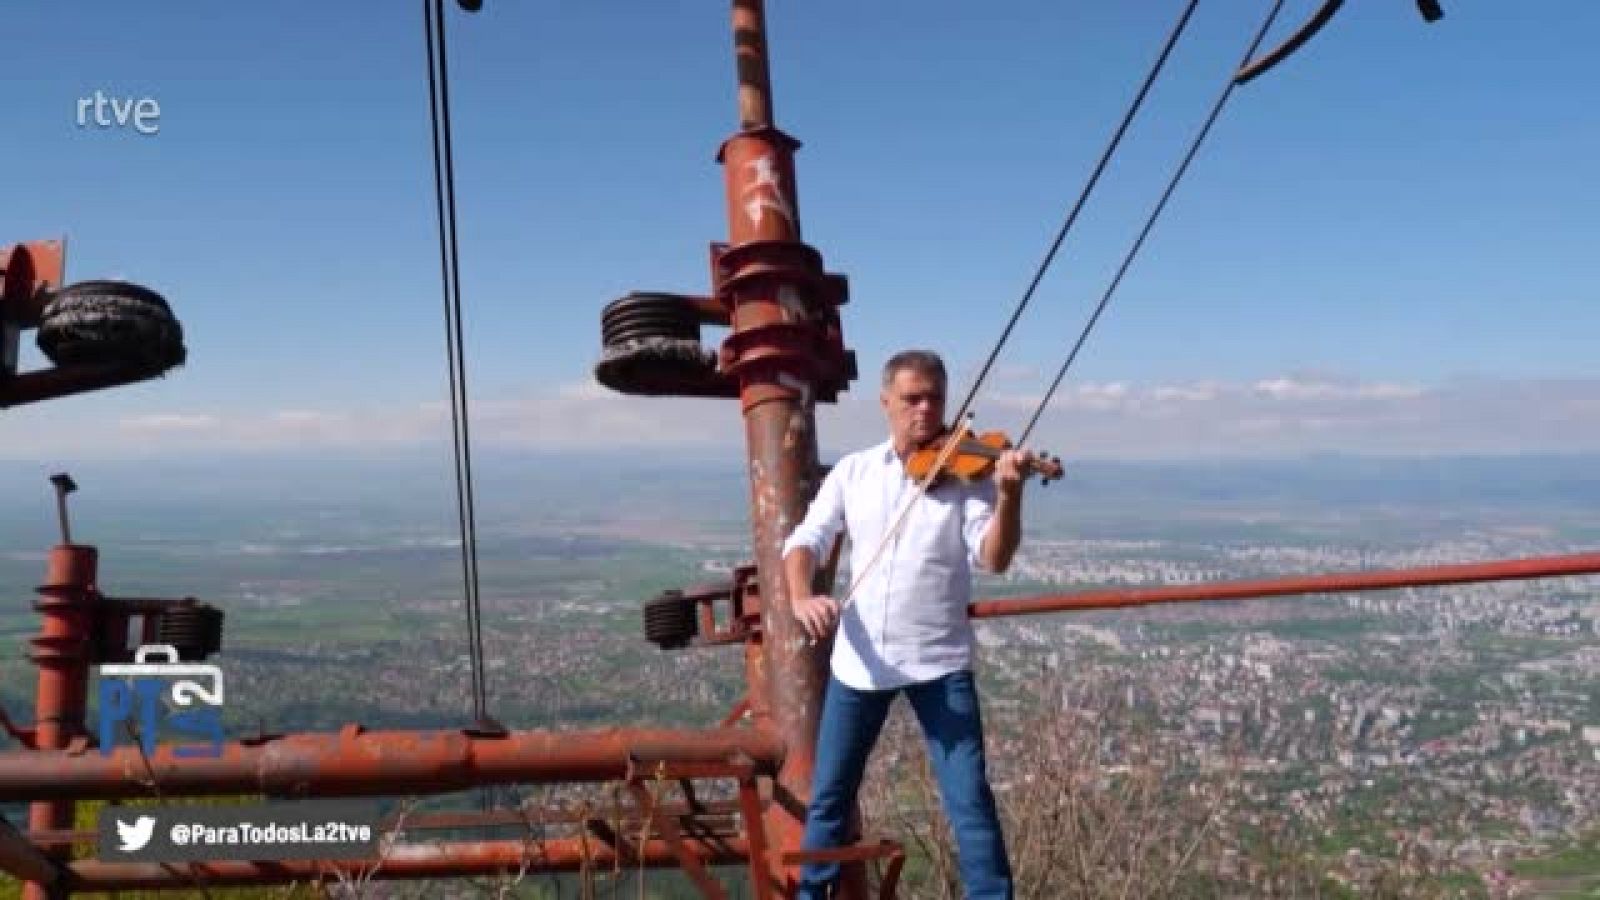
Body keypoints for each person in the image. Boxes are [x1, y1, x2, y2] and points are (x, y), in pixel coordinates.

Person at [781, 349, 1036, 900]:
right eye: (911, 399)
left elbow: (993, 557)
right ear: (886, 403)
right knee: (830, 797)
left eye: (934, 399)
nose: (925, 411)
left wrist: (1010, 495)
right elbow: (805, 539)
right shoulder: (854, 471)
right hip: (861, 663)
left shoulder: (969, 477)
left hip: (939, 663)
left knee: (969, 799)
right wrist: (803, 596)